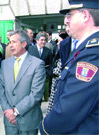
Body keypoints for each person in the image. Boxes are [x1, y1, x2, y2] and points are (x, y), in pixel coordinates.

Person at [40, 0, 99, 134]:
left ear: (85, 15)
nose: (66, 21)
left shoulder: (92, 54)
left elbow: (70, 109)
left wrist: (45, 128)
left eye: (69, 15)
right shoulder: (85, 48)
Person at [0, 30, 46, 135]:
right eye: (10, 42)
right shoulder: (5, 64)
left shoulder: (37, 64)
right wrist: (8, 111)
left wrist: (15, 111)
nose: (11, 45)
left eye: (14, 42)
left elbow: (36, 93)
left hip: (28, 120)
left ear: (24, 44)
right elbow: (1, 89)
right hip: (9, 121)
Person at [46, 31, 68, 115]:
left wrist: (55, 71)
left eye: (60, 41)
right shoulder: (59, 52)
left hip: (60, 84)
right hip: (55, 82)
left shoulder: (67, 55)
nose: (58, 43)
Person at [28, 32, 53, 101]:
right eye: (41, 40)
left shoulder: (48, 51)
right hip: (32, 75)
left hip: (45, 75)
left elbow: (51, 63)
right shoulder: (30, 49)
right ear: (37, 40)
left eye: (45, 40)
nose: (43, 42)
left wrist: (48, 73)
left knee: (44, 94)